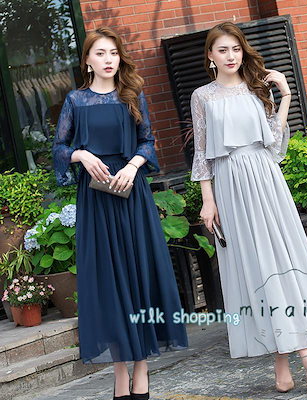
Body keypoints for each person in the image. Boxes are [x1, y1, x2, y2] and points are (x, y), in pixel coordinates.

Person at [190, 21, 307, 397]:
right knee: (252, 267)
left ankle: (306, 358)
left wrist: (285, 95)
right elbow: (202, 153)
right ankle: (281, 358)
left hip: (265, 179)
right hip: (229, 184)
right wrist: (208, 200)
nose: (231, 56)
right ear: (210, 56)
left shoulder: (257, 88)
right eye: (223, 50)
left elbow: (273, 141)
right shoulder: (202, 96)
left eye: (236, 49)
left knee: (280, 261)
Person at [52, 27, 188, 400]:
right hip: (96, 200)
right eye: (100, 53)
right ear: (87, 61)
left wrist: (133, 165)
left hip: (132, 194)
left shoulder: (132, 95)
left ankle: (141, 369)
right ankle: (119, 372)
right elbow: (59, 148)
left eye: (113, 52)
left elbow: (148, 141)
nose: (108, 59)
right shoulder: (76, 101)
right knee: (109, 281)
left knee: (139, 273)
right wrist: (81, 154)